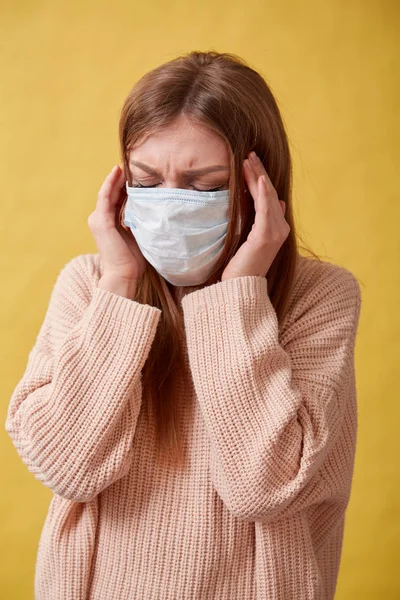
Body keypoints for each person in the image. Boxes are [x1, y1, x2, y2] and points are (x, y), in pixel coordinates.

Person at [5, 51, 362, 600]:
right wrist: (120, 288)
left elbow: (267, 487)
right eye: (148, 182)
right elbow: (65, 466)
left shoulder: (321, 297)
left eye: (204, 185)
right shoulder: (91, 283)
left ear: (259, 185)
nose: (171, 208)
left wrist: (238, 295)